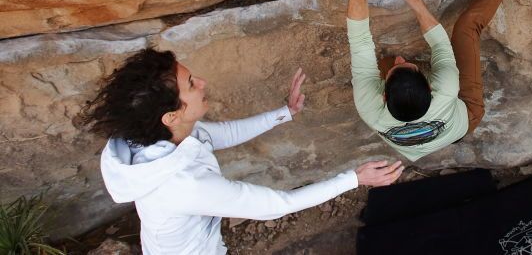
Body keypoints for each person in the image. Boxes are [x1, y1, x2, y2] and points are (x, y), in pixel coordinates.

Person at [81, 49, 403, 254]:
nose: (204, 82)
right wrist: (355, 178)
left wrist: (285, 113)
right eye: (192, 84)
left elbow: (223, 135)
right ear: (171, 115)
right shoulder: (185, 185)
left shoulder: (163, 135)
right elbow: (278, 204)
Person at [345, 0, 527, 161]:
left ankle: (397, 76)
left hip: (426, 135)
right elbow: (440, 43)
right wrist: (415, 1)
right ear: (431, 88)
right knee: (467, 28)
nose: (401, 58)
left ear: (382, 96)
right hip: (465, 120)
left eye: (399, 66)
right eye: (407, 65)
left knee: (385, 62)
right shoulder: (448, 87)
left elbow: (359, 40)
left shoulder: (368, 106)